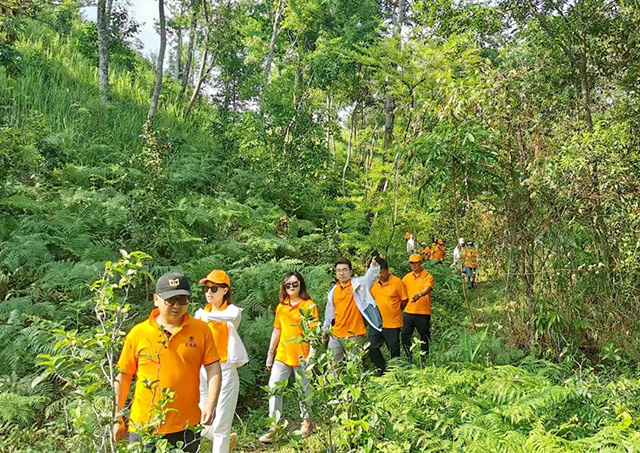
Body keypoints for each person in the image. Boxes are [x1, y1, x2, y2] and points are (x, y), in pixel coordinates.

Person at [112, 272, 222, 452]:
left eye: (182, 299)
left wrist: (211, 403)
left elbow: (214, 368)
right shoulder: (139, 333)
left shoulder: (201, 330)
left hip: (187, 425)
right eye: (170, 300)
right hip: (145, 426)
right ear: (156, 299)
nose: (177, 305)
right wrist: (117, 417)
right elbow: (123, 377)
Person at [259, 272, 319, 443]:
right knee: (274, 388)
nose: (291, 287)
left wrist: (312, 356)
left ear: (301, 284)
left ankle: (307, 422)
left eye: (295, 283)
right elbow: (277, 330)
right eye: (288, 284)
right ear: (283, 287)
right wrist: (270, 355)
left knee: (304, 390)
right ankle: (275, 428)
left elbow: (314, 333)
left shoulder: (309, 306)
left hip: (302, 355)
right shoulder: (281, 307)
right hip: (283, 355)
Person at [194, 270, 248, 453]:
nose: (209, 292)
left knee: (222, 425)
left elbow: (231, 316)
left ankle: (223, 443)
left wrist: (204, 318)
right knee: (201, 420)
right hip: (203, 370)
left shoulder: (231, 312)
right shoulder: (201, 313)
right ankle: (227, 442)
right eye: (207, 288)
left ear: (225, 290)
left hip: (225, 370)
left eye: (214, 288)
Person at [323, 256, 382, 362]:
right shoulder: (333, 291)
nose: (342, 273)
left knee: (355, 366)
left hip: (355, 334)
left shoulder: (359, 285)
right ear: (335, 273)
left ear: (351, 271)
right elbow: (329, 313)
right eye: (339, 270)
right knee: (332, 366)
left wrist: (373, 265)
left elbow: (370, 277)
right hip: (336, 334)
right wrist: (325, 329)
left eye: (345, 270)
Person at [368, 257, 408, 374]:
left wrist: (396, 309)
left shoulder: (397, 282)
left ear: (387, 270)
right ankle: (382, 369)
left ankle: (396, 372)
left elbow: (404, 300)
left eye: (382, 272)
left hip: (392, 323)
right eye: (377, 273)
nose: (379, 275)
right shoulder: (373, 283)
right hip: (376, 323)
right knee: (372, 347)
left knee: (394, 349)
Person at [401, 255, 434, 360]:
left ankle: (424, 359)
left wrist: (419, 295)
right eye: (411, 263)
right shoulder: (406, 277)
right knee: (404, 336)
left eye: (416, 262)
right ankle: (409, 357)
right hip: (408, 311)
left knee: (424, 337)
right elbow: (400, 291)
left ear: (421, 262)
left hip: (422, 313)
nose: (413, 265)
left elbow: (428, 288)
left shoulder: (427, 276)